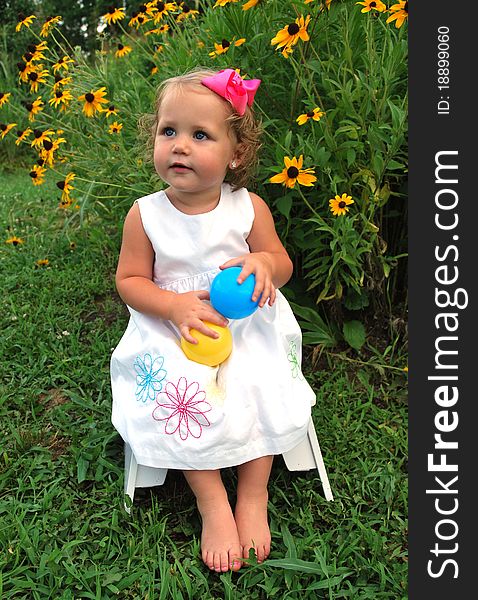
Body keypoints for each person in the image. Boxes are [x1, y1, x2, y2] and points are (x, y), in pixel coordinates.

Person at [110, 67, 316, 573]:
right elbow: (130, 281)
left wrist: (264, 264)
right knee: (182, 391)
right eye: (169, 131)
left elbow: (281, 262)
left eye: (200, 135)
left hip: (245, 322)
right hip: (175, 324)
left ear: (235, 152)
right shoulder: (146, 214)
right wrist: (173, 306)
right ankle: (211, 500)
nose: (179, 146)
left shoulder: (248, 207)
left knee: (260, 379)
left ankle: (252, 492)